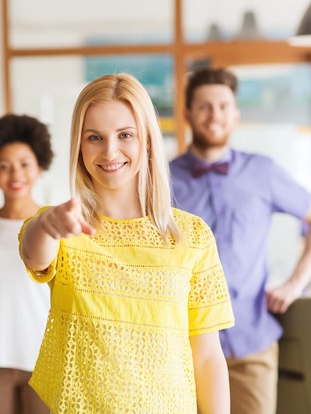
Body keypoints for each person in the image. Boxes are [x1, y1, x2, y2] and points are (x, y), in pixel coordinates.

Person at [18, 73, 235, 414]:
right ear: (79, 144)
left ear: (147, 140)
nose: (110, 151)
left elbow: (207, 355)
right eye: (94, 137)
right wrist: (47, 225)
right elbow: (34, 252)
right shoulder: (61, 226)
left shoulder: (192, 235)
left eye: (125, 135)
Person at [169, 67, 311, 414]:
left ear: (235, 114)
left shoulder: (263, 172)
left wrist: (295, 284)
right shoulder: (161, 179)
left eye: (223, 106)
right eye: (204, 106)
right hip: (181, 348)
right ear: (186, 113)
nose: (215, 115)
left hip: (251, 345)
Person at [0, 114, 54, 414]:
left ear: (40, 166)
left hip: (46, 363)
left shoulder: (54, 225)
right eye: (4, 165)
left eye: (24, 163)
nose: (15, 173)